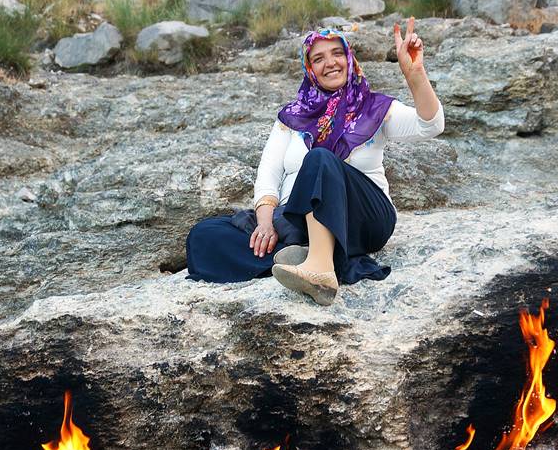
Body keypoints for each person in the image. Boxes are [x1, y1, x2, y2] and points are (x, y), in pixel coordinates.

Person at [185, 18, 445, 306]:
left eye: (336, 53)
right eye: (318, 58)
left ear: (348, 58)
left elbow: (430, 125)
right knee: (204, 236)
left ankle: (320, 268)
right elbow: (268, 174)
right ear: (309, 69)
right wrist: (265, 225)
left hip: (363, 218)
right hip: (297, 223)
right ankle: (308, 255)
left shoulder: (375, 107)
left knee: (319, 158)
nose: (330, 63)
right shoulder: (292, 116)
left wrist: (415, 74)